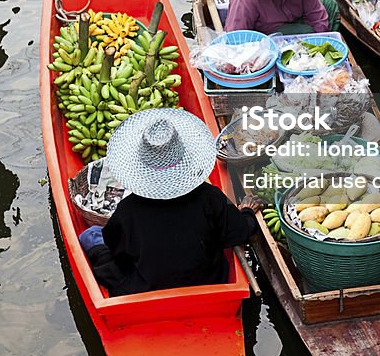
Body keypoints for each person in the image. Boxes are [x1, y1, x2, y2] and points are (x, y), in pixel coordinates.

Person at [78, 110, 263, 296]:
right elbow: (239, 232)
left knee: (91, 236)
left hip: (146, 290)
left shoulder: (128, 209)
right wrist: (246, 212)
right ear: (185, 159)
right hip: (208, 282)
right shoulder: (210, 197)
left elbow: (119, 252)